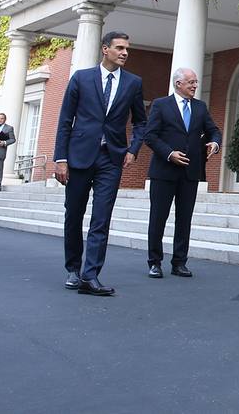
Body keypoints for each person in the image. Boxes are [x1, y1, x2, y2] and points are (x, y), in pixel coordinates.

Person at [53, 30, 146, 297]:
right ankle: (73, 268)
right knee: (74, 214)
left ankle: (90, 275)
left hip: (111, 158)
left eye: (127, 49)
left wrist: (133, 149)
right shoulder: (81, 78)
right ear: (105, 49)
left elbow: (141, 121)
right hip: (79, 156)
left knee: (101, 218)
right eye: (119, 48)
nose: (125, 52)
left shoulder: (133, 83)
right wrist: (61, 159)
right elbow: (65, 120)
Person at [143, 67, 220, 279]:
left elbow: (214, 130)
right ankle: (155, 262)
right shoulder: (160, 105)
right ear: (178, 84)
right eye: (191, 82)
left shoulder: (200, 107)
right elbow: (150, 136)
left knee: (184, 219)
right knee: (158, 217)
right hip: (164, 171)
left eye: (195, 82)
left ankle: (179, 262)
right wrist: (169, 154)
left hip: (190, 173)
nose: (195, 85)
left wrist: (214, 142)